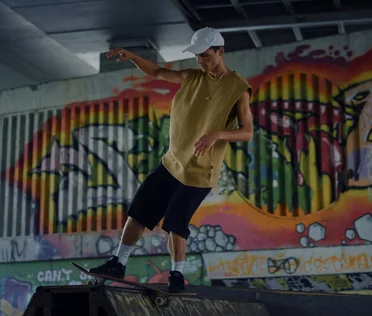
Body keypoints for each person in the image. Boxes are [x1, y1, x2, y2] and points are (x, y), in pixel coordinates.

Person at [89, 27, 253, 293]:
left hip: (199, 173)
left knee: (176, 225)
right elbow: (156, 72)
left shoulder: (238, 88)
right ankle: (118, 263)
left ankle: (176, 277)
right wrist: (131, 55)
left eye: (206, 55)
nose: (201, 61)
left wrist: (218, 134)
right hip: (171, 163)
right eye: (197, 56)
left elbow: (247, 132)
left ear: (220, 52)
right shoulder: (192, 77)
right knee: (138, 211)